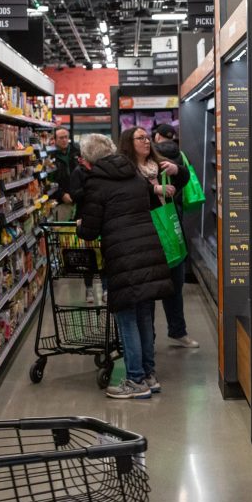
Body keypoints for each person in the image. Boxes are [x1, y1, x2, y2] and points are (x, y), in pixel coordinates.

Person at [76, 128, 187, 399]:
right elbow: (150, 204)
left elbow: (90, 230)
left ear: (89, 160)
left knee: (127, 320)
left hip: (123, 258)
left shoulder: (96, 182)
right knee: (144, 318)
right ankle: (149, 375)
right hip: (149, 251)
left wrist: (81, 225)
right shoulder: (135, 176)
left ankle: (135, 380)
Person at [151, 123, 199, 349]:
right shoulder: (179, 157)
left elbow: (182, 178)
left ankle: (148, 336)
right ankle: (178, 331)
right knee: (174, 285)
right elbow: (185, 179)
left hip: (155, 230)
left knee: (152, 288)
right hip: (172, 225)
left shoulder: (159, 162)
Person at [67, 134, 110, 304]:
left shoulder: (100, 170)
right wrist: (89, 189)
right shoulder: (78, 172)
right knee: (88, 257)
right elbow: (74, 194)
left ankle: (106, 288)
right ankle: (89, 289)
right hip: (84, 217)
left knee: (104, 255)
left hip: (102, 217)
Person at [51, 126, 80, 222]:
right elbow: (49, 180)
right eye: (61, 138)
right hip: (60, 203)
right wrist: (61, 194)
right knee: (62, 231)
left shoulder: (77, 152)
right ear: (54, 140)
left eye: (66, 137)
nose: (64, 140)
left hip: (78, 201)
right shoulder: (50, 156)